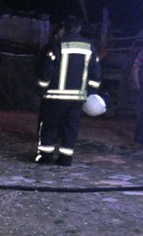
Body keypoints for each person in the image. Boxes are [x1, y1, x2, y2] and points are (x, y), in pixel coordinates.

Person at [35, 15, 101, 166]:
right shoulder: (89, 47)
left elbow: (47, 70)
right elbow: (95, 73)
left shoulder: (58, 45)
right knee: (70, 129)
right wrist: (91, 92)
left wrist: (41, 88)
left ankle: (45, 157)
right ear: (79, 28)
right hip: (77, 98)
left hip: (54, 97)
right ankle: (65, 159)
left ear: (65, 27)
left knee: (49, 127)